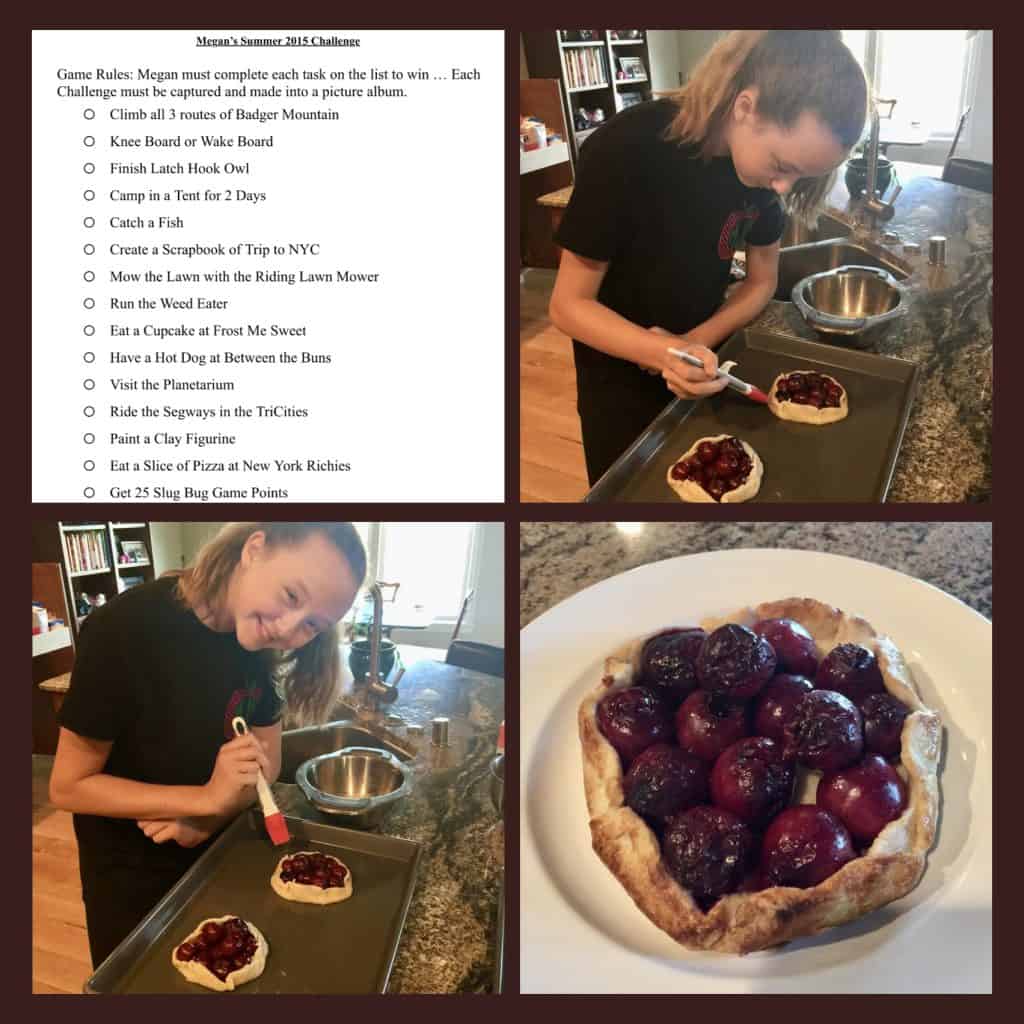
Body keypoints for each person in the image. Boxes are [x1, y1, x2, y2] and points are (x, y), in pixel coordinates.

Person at [549, 30, 868, 484]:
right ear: (745, 107)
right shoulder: (627, 149)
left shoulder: (758, 176)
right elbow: (568, 305)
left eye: (799, 175)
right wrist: (664, 352)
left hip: (702, 363)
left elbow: (761, 280)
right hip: (618, 377)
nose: (783, 189)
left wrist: (696, 343)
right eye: (782, 166)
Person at [49, 522, 367, 968]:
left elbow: (269, 757)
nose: (289, 629)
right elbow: (68, 786)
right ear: (254, 549)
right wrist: (204, 798)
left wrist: (212, 816)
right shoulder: (124, 629)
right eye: (292, 596)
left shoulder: (258, 640)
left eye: (313, 625)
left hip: (215, 853)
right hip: (131, 876)